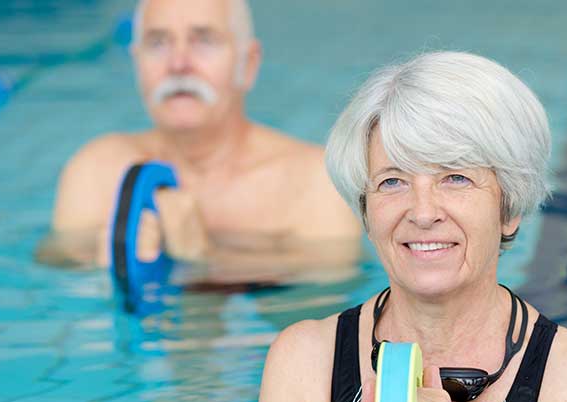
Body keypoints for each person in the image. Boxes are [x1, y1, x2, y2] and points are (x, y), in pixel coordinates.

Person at [254, 51, 567, 402]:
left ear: (509, 208)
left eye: (455, 177)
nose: (423, 212)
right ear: (366, 213)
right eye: (392, 181)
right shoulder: (304, 361)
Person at [39, 0, 360, 272]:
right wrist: (109, 266)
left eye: (204, 40)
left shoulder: (313, 184)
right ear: (137, 64)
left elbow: (319, 310)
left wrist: (200, 260)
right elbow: (54, 277)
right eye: (158, 43)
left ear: (248, 64)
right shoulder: (95, 171)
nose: (178, 64)